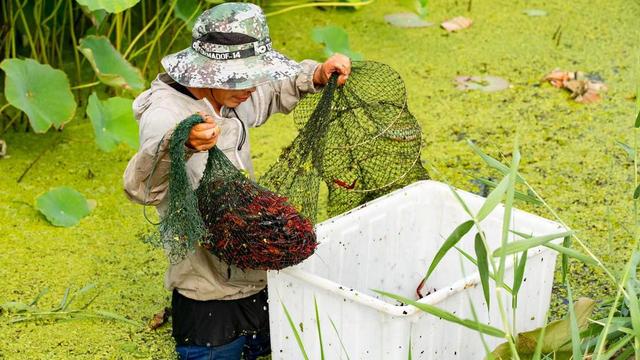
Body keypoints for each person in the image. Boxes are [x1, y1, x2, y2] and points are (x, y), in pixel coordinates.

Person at [122, 2, 351, 359]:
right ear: (209, 72)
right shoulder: (165, 113)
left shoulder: (234, 93)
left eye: (256, 74)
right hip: (206, 285)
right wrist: (179, 144)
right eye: (244, 78)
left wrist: (316, 75)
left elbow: (273, 91)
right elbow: (142, 188)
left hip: (254, 267)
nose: (253, 87)